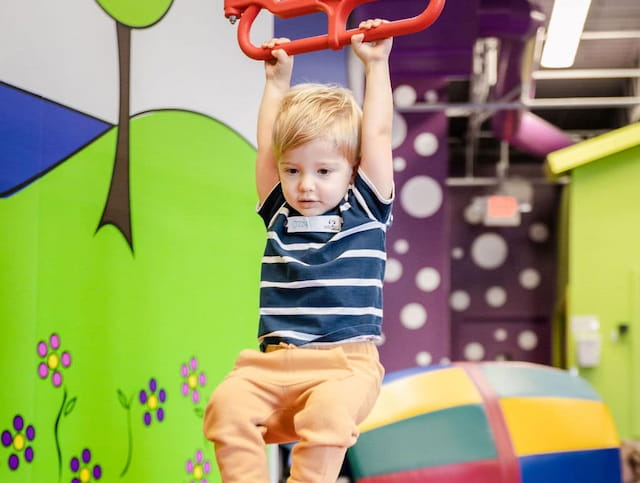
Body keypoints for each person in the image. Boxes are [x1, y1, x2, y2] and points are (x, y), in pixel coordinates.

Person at [203, 19, 394, 483]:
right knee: (225, 408)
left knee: (327, 419)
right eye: (294, 171)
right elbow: (269, 149)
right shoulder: (279, 212)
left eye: (324, 171)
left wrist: (376, 66)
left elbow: (379, 137)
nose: (305, 185)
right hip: (273, 365)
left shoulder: (365, 208)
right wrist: (276, 83)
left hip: (343, 367)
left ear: (350, 171)